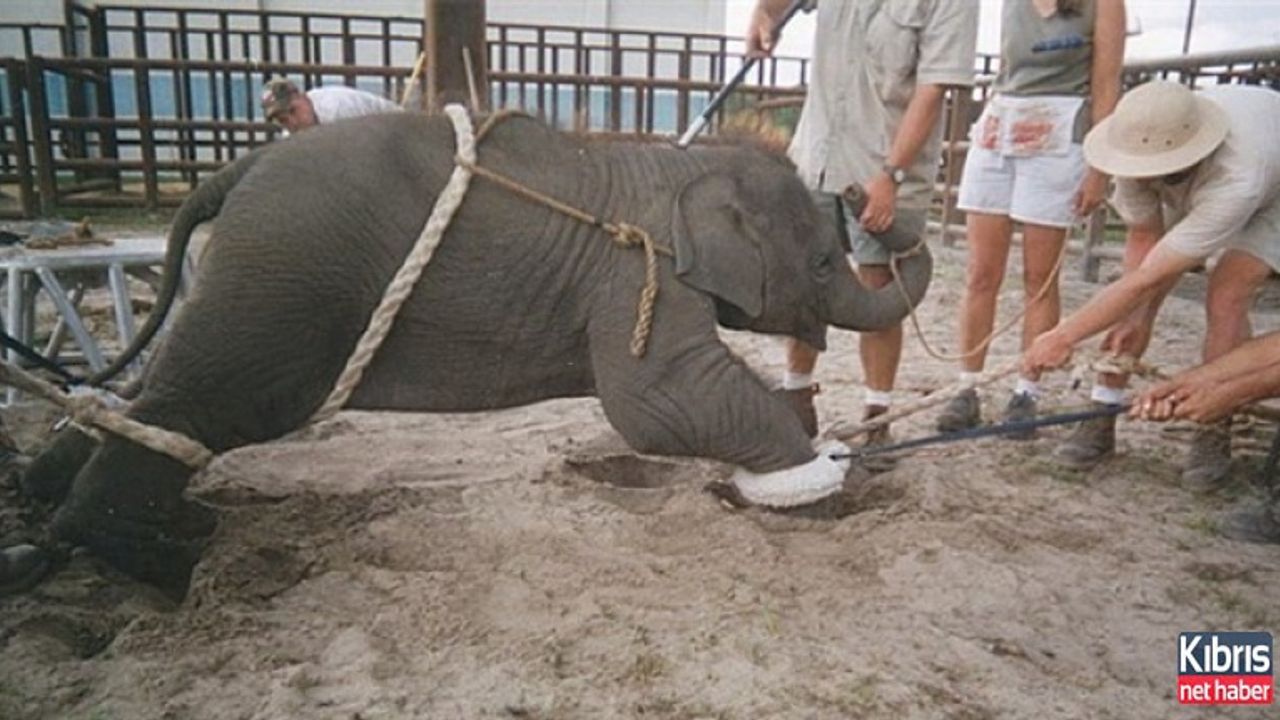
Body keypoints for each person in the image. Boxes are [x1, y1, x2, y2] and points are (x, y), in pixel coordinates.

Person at [1023, 80, 1280, 489]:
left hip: (1275, 187)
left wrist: (1063, 335)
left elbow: (1152, 275)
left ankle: (1213, 426)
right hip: (1192, 168)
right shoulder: (1135, 149)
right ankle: (1101, 413)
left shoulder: (1240, 175)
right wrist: (1132, 316)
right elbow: (1143, 246)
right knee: (1133, 311)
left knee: (1227, 293)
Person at [747, 0, 979, 446]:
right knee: (803, 280)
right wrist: (762, 14)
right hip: (816, 157)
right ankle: (797, 397)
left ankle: (877, 416)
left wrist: (891, 174)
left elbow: (933, 90)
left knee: (878, 290)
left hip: (884, 163)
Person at [936, 0, 1125, 437]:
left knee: (1038, 277)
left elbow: (1106, 83)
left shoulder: (1104, 4)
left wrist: (1098, 167)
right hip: (1002, 122)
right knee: (981, 272)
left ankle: (1026, 391)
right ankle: (968, 387)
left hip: (1060, 130)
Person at [261, 77, 401, 134]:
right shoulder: (291, 134)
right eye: (283, 120)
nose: (293, 122)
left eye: (293, 111)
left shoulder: (338, 108)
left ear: (302, 97)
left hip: (394, 132)